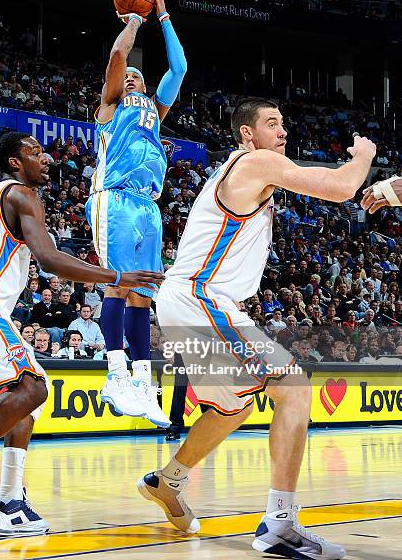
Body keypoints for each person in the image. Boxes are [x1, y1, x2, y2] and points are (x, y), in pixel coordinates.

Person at [138, 99, 376, 559]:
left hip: (194, 300)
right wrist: (363, 155)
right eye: (272, 123)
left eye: (284, 123)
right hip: (200, 299)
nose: (282, 131)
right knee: (295, 387)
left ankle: (169, 480)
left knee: (235, 407)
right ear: (247, 134)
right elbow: (343, 187)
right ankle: (280, 525)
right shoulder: (256, 162)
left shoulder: (244, 169)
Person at [0, 131, 162, 543]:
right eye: (35, 152)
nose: (46, 159)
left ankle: (9, 503)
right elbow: (48, 258)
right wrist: (117, 276)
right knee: (34, 387)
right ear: (14, 163)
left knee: (24, 399)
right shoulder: (22, 193)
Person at [85, 0, 186, 426]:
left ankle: (143, 384)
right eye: (128, 77)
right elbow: (116, 59)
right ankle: (114, 373)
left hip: (148, 205)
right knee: (118, 282)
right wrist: (134, 21)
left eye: (138, 78)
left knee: (143, 294)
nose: (131, 78)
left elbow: (179, 68)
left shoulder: (153, 112)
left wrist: (163, 16)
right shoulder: (110, 107)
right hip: (115, 198)